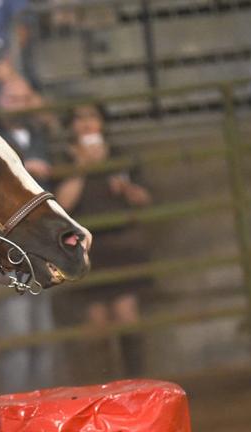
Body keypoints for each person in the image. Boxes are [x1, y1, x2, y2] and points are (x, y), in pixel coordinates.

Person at [55, 102, 152, 379]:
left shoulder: (120, 155)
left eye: (92, 117)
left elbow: (144, 198)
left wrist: (127, 188)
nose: (86, 124)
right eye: (80, 118)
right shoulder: (64, 159)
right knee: (96, 324)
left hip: (120, 245)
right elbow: (63, 203)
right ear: (71, 126)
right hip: (84, 250)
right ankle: (102, 385)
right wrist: (83, 166)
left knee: (127, 316)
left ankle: (136, 382)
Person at [0, 76, 57, 392]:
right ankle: (14, 400)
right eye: (11, 97)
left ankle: (44, 398)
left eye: (23, 98)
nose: (17, 103)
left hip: (41, 246)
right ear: (0, 101)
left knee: (43, 330)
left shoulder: (41, 135)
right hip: (10, 247)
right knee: (16, 333)